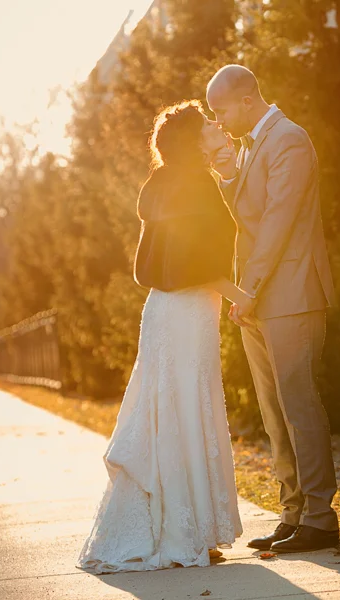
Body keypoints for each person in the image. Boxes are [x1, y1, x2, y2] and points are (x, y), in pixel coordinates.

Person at [77, 100, 249, 573]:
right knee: (186, 410)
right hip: (188, 308)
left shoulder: (164, 183)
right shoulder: (195, 186)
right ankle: (183, 533)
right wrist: (241, 295)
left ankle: (183, 526)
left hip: (163, 309)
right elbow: (195, 263)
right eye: (207, 125)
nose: (217, 124)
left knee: (171, 409)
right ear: (194, 141)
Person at [207, 65, 340, 553]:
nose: (217, 122)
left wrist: (249, 288)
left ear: (246, 100)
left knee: (299, 404)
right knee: (272, 410)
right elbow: (250, 218)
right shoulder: (246, 147)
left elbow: (277, 222)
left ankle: (322, 519)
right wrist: (226, 175)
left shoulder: (290, 140)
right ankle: (293, 512)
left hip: (292, 294)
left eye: (220, 111)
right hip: (260, 298)